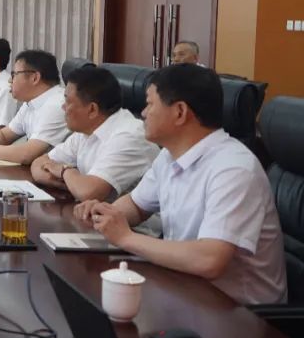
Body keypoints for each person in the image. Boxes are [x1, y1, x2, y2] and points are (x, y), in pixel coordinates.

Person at [76, 64, 287, 305]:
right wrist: (103, 213)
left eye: (150, 104)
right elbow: (136, 205)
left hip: (240, 312)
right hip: (186, 288)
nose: (143, 113)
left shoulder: (234, 169)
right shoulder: (169, 156)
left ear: (179, 112)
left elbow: (209, 260)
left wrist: (125, 238)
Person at [31, 66, 158, 201]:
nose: (63, 107)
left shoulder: (129, 136)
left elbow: (89, 192)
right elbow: (39, 163)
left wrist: (64, 171)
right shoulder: (86, 130)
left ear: (92, 110)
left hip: (132, 214)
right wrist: (68, 182)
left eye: (67, 101)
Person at [0, 49, 69, 165]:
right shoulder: (30, 102)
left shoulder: (57, 104)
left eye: (14, 75)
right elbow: (4, 135)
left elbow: (25, 154)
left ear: (34, 78)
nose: (10, 80)